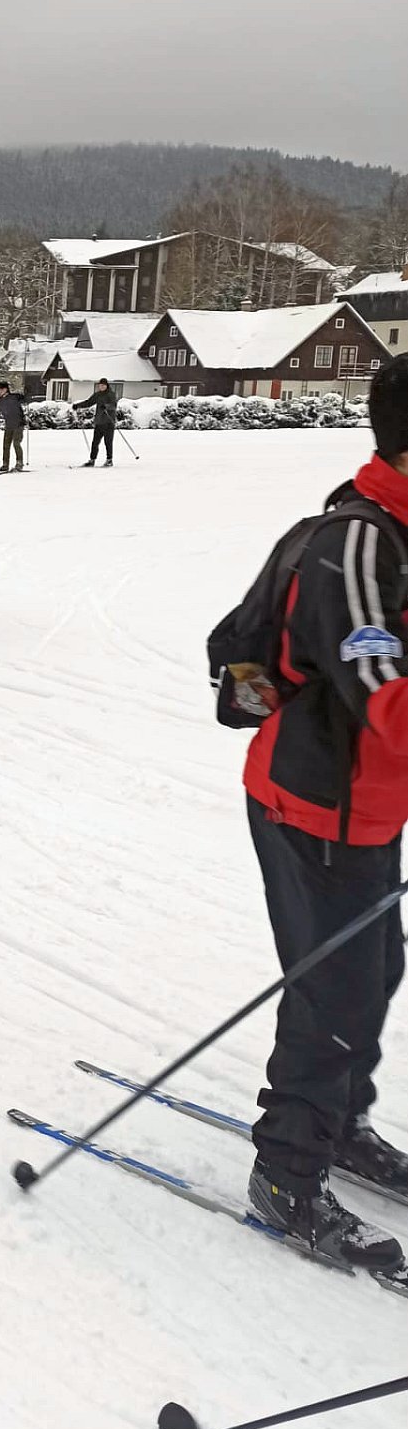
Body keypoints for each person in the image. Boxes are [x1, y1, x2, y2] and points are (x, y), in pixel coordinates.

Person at [239, 354, 408, 1269]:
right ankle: (286, 1171)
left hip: (372, 808)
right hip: (311, 805)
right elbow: (383, 689)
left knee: (376, 969)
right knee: (333, 990)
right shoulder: (358, 546)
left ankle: (338, 1125)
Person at [79, 379, 117, 467]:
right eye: (100, 385)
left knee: (108, 442)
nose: (101, 387)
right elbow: (89, 402)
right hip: (99, 422)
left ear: (106, 386)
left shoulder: (111, 394)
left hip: (108, 422)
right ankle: (92, 460)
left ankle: (109, 460)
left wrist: (106, 406)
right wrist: (78, 405)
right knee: (95, 442)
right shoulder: (98, 395)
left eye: (103, 385)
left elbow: (113, 405)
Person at [0, 382, 27, 473]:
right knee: (6, 445)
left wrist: (27, 391)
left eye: (2, 389)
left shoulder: (14, 397)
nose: (0, 391)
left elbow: (25, 398)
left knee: (16, 443)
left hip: (18, 424)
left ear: (6, 389)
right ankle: (5, 465)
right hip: (9, 425)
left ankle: (19, 464)